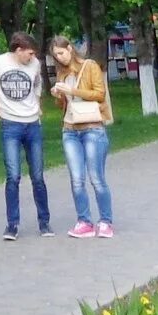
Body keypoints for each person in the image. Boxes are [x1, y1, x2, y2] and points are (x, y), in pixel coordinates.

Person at [0, 30, 52, 240]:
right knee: (13, 176)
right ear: (18, 50)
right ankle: (12, 225)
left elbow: (37, 83)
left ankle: (44, 222)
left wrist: (38, 104)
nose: (32, 57)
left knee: (37, 175)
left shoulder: (34, 64)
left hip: (32, 125)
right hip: (10, 124)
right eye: (29, 53)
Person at [49, 34, 115, 239]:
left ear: (69, 48)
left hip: (92, 128)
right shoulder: (61, 74)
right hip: (70, 130)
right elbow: (64, 106)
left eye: (61, 53)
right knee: (77, 179)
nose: (59, 58)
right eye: (55, 56)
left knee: (96, 178)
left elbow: (99, 94)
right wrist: (59, 95)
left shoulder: (90, 66)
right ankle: (84, 221)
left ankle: (105, 222)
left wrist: (73, 89)